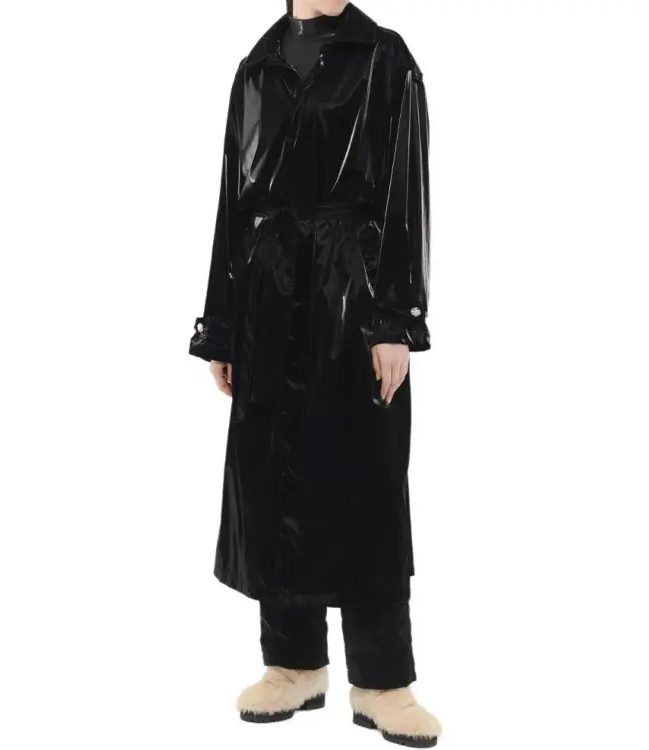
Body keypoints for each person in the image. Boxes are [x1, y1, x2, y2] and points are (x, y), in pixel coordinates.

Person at [188, 1, 440, 745]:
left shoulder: (384, 58)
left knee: (365, 483)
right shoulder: (256, 67)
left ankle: (383, 680)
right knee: (273, 479)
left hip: (350, 296)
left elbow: (405, 190)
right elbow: (232, 201)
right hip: (266, 299)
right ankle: (293, 664)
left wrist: (393, 320)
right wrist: (222, 324)